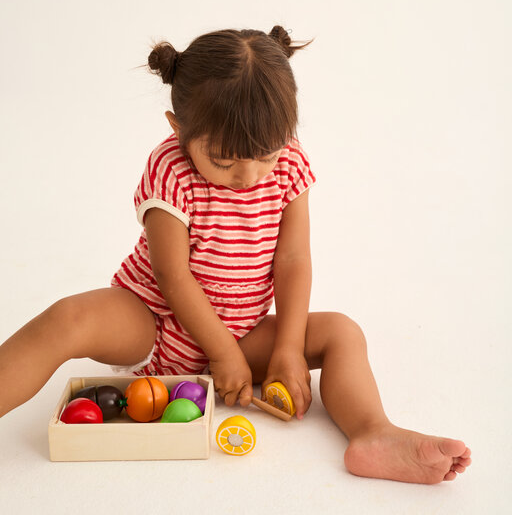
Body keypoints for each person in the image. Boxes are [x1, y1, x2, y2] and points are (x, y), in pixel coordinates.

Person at [0, 25, 471, 484]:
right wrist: (221, 354)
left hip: (241, 333)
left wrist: (287, 348)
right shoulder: (170, 168)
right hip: (151, 318)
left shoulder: (290, 163)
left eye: (265, 156)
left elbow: (293, 260)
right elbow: (172, 275)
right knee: (67, 318)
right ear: (178, 128)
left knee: (342, 333)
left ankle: (373, 434)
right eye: (224, 161)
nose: (248, 175)